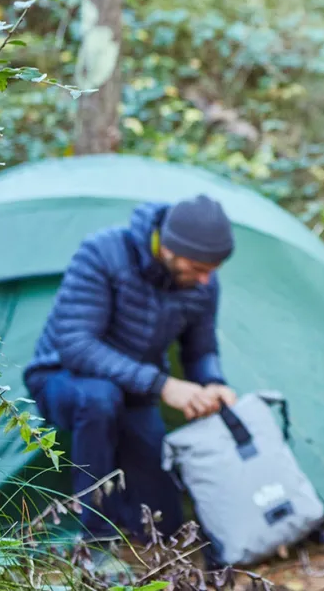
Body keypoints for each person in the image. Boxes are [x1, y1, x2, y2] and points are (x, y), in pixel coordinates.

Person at [23, 194, 238, 539]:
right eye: (198, 269)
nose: (204, 280)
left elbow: (200, 349)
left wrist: (212, 381)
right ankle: (94, 540)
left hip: (135, 391)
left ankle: (132, 527)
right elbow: (76, 346)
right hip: (62, 378)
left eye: (212, 271)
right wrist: (163, 385)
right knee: (99, 399)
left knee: (164, 525)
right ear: (168, 247)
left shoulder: (203, 284)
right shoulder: (103, 253)